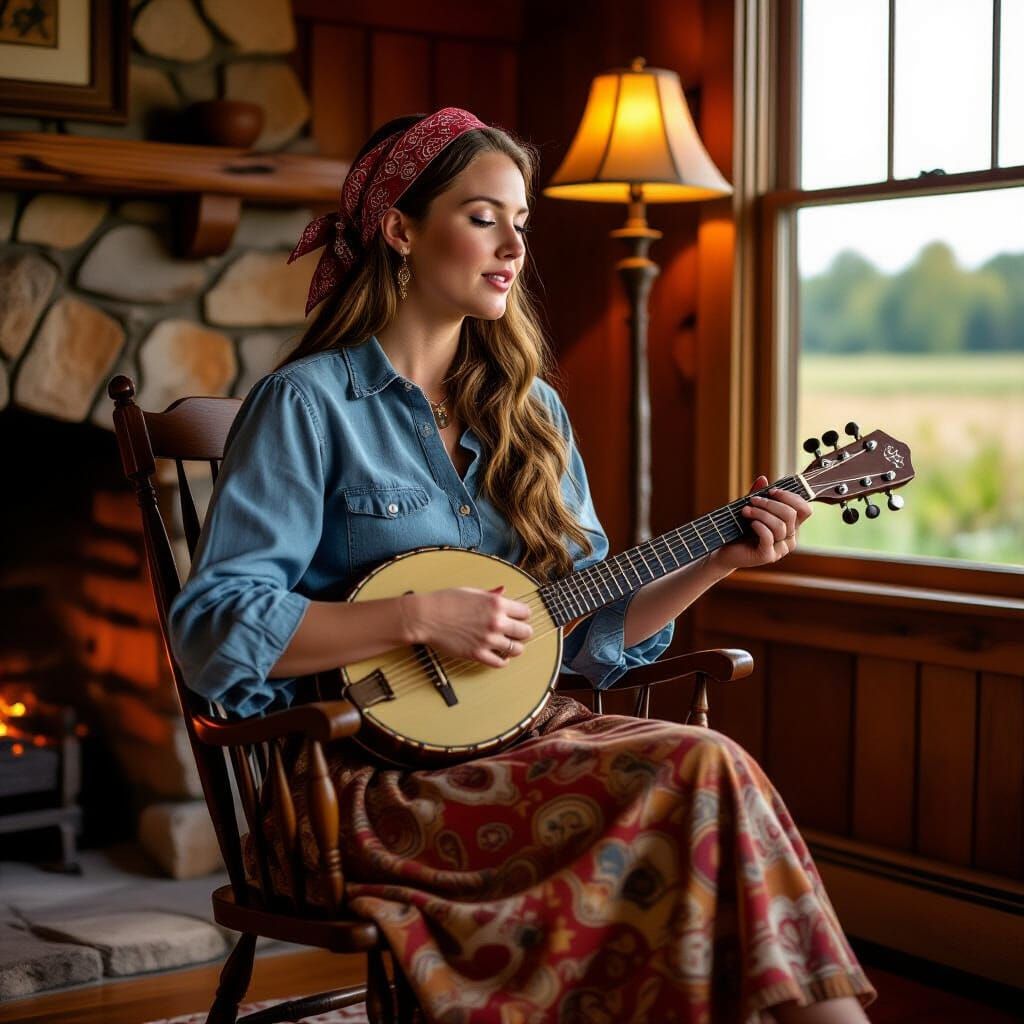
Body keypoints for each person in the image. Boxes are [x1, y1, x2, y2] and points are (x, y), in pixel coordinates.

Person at [168, 107, 876, 1023]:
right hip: (363, 784)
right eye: (482, 217)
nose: (512, 247)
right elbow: (214, 628)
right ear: (399, 229)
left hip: (533, 740)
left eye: (521, 222)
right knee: (700, 771)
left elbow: (586, 636)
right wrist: (416, 618)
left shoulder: (530, 411)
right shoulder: (307, 405)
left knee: (710, 766)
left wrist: (723, 560)